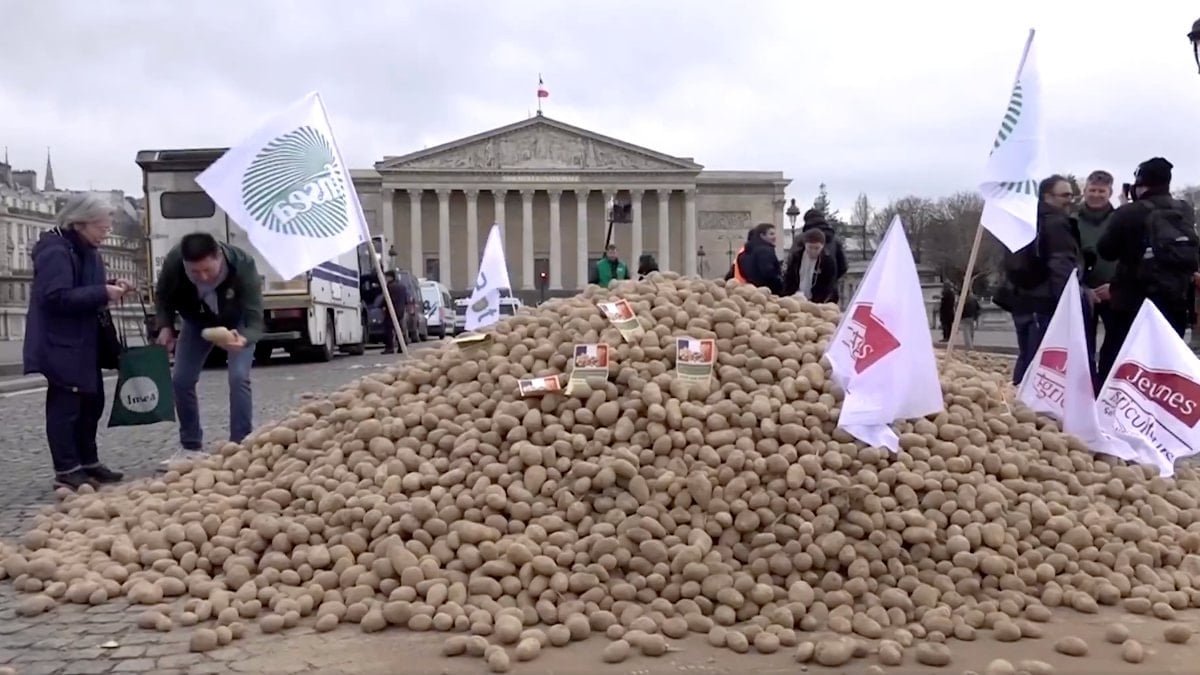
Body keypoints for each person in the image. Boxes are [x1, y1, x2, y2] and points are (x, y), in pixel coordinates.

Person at [24, 193, 134, 489]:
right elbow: (55, 296)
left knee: (92, 403)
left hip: (86, 341)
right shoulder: (55, 251)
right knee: (66, 407)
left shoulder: (87, 250)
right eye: (102, 227)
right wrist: (102, 292)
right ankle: (67, 468)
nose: (106, 233)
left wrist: (111, 286)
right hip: (61, 342)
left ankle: (88, 461)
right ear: (80, 223)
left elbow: (85, 286)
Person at [154, 232, 264, 464]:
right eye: (195, 272)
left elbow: (255, 319)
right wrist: (165, 326)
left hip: (237, 322)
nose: (203, 277)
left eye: (208, 270)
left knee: (238, 377)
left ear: (219, 257)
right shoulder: (175, 261)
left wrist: (244, 339)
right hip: (197, 321)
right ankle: (190, 445)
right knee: (181, 380)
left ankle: (240, 444)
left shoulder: (243, 265)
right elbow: (163, 296)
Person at [1096, 157, 1199, 381]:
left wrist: (1124, 209)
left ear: (1140, 184)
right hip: (1176, 300)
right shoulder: (1184, 209)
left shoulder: (1129, 212)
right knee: (1165, 363)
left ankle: (1109, 398)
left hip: (1132, 301)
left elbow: (1106, 250)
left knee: (1119, 359)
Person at [995, 175, 1082, 385]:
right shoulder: (1056, 223)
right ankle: (1030, 399)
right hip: (1045, 302)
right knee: (1042, 362)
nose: (1070, 200)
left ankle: (1018, 397)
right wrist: (1069, 303)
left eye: (1071, 195)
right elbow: (1061, 265)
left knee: (1026, 356)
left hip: (1021, 302)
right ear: (1047, 196)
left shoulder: (1024, 222)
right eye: (1065, 195)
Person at [1076, 170, 1117, 374]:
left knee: (1117, 342)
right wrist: (1083, 288)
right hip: (1082, 291)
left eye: (1102, 191)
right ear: (1084, 191)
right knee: (1082, 344)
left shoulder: (1121, 219)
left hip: (1114, 290)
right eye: (1092, 190)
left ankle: (1108, 382)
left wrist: (1116, 286)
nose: (1096, 195)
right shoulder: (1071, 220)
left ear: (1110, 193)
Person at [781, 227, 837, 302]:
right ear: (805, 245)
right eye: (810, 247)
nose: (813, 251)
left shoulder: (828, 261)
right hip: (796, 297)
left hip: (816, 300)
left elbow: (828, 285)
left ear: (822, 246)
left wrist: (818, 301)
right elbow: (789, 278)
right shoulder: (796, 257)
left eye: (817, 248)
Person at [726, 223, 783, 294]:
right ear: (762, 235)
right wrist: (781, 286)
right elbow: (768, 274)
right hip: (766, 292)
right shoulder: (765, 251)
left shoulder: (745, 251)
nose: (774, 237)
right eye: (771, 234)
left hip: (747, 290)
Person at [800, 209, 848, 283]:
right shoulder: (835, 240)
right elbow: (843, 267)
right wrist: (832, 279)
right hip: (829, 286)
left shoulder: (804, 239)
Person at [381, 270, 409, 354]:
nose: (385, 279)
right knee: (399, 329)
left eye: (386, 277)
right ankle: (402, 346)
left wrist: (381, 306)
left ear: (390, 277)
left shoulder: (389, 287)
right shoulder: (402, 287)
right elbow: (406, 299)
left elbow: (386, 299)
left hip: (391, 310)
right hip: (401, 311)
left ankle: (390, 347)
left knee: (388, 329)